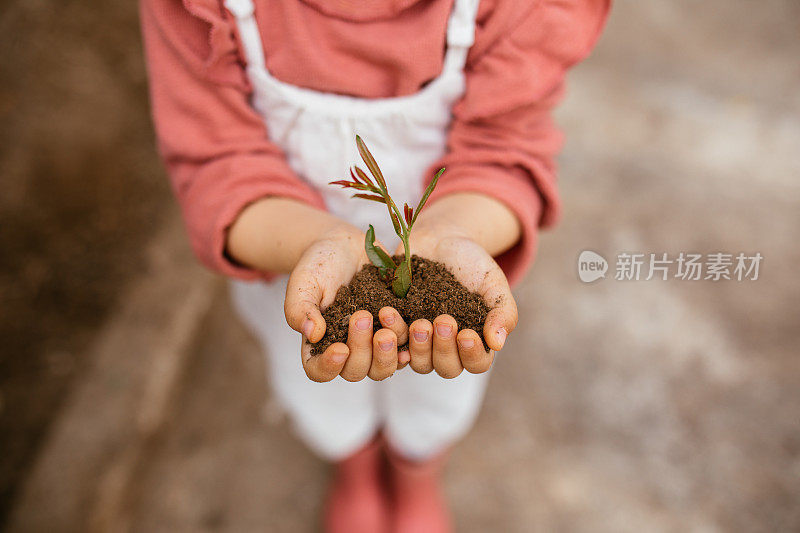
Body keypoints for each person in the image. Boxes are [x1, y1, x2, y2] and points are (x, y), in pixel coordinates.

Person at [140, 0, 609, 530]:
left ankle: (416, 471)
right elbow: (218, 163)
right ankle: (355, 465)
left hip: (447, 237)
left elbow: (505, 150)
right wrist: (316, 240)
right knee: (319, 382)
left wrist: (453, 232)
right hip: (290, 260)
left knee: (440, 384)